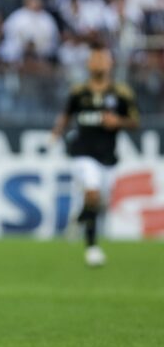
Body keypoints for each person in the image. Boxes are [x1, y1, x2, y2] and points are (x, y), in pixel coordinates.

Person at [51, 42, 139, 267]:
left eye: (102, 58)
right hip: (82, 153)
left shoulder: (121, 93)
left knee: (99, 202)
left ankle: (79, 218)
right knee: (92, 192)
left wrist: (118, 121)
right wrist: (55, 134)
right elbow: (66, 115)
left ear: (110, 63)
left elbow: (135, 120)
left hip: (107, 156)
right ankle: (92, 248)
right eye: (94, 59)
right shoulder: (79, 92)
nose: (98, 62)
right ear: (89, 63)